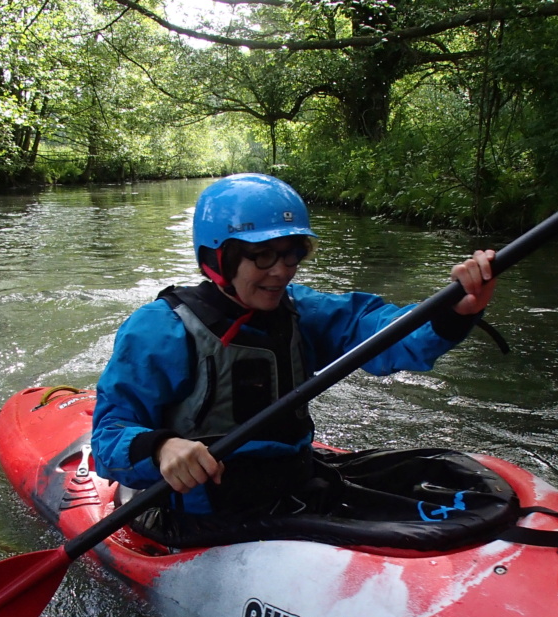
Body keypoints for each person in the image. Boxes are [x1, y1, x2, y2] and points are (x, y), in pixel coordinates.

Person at [91, 173, 497, 546]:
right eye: (263, 256)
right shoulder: (160, 331)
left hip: (293, 482)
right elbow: (108, 438)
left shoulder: (300, 312)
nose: (282, 271)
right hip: (203, 511)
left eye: (293, 253)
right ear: (219, 258)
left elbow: (377, 329)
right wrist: (161, 447)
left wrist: (451, 313)